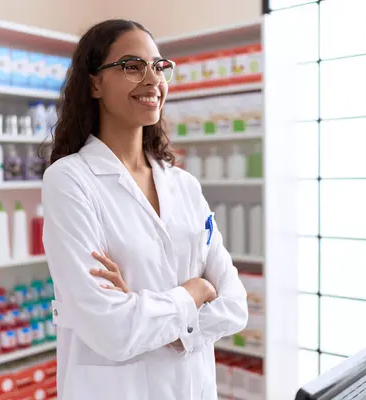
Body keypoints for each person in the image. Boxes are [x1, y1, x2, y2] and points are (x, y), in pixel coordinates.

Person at [42, 19, 249, 400]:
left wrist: (151, 312)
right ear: (94, 83)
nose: (153, 79)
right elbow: (112, 329)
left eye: (159, 66)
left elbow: (235, 306)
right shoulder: (70, 181)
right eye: (132, 66)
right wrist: (196, 290)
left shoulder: (183, 185)